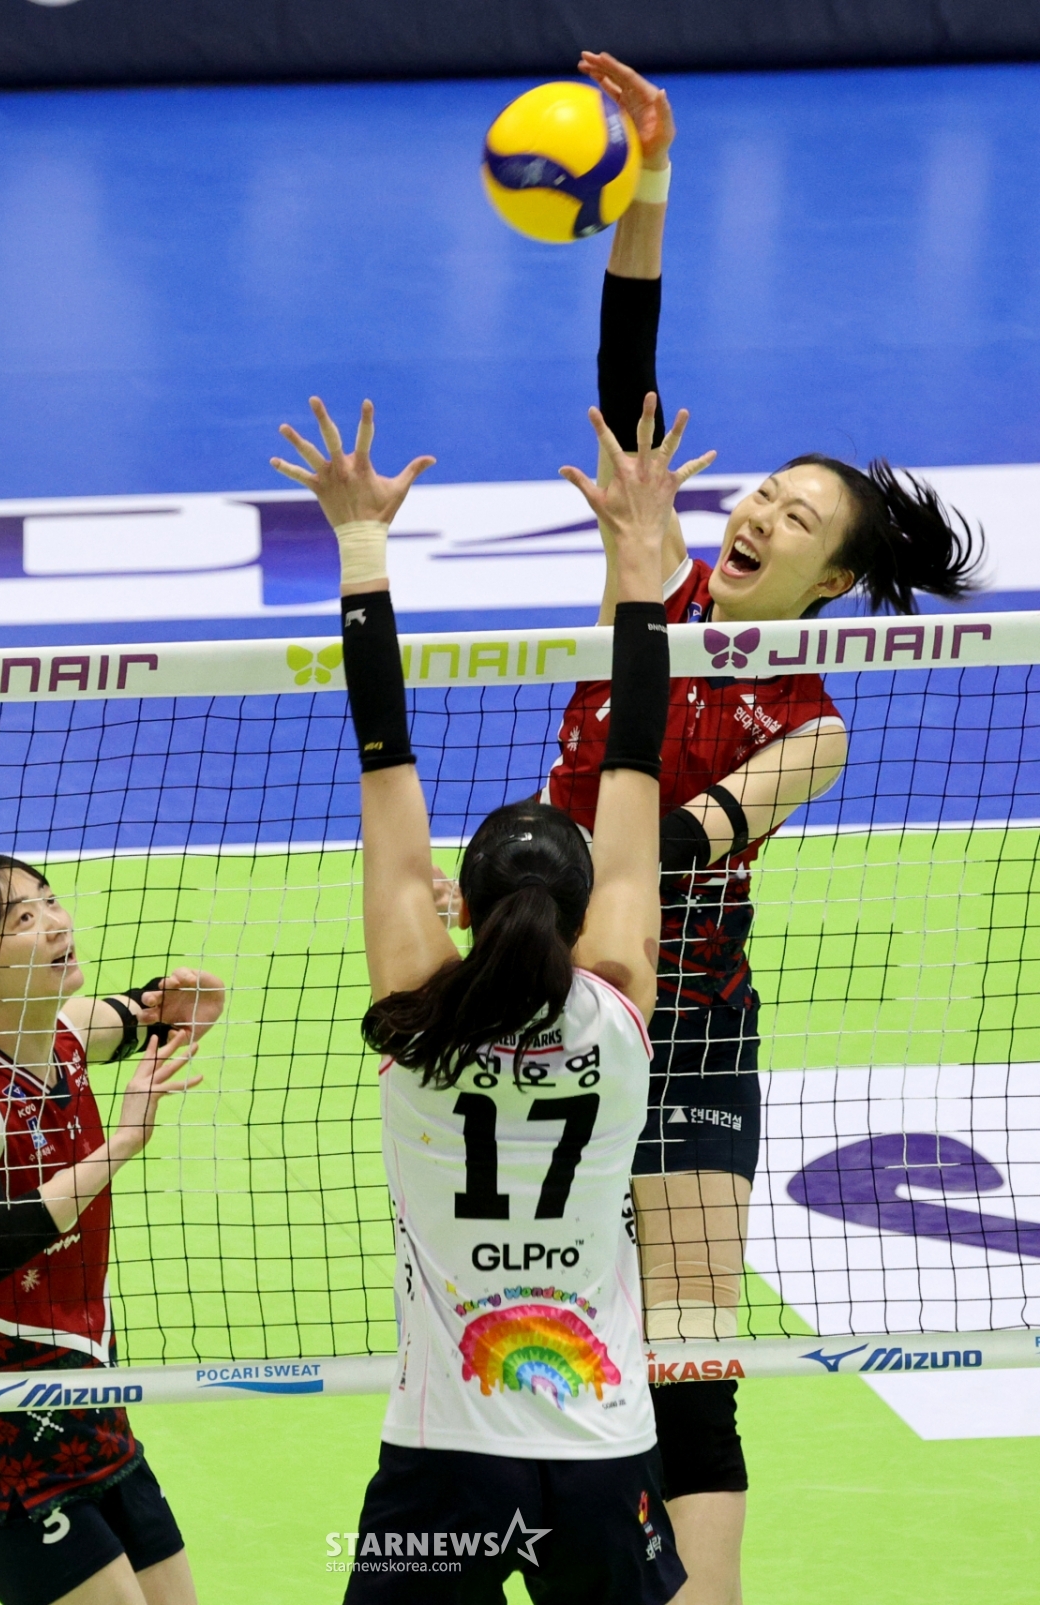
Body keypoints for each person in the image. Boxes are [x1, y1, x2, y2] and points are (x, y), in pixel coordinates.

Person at [541, 51, 984, 1605]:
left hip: (688, 1029)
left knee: (692, 1355)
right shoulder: (648, 576)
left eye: (799, 518)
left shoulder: (816, 729)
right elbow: (627, 373)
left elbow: (669, 848)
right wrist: (648, 176)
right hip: (536, 1011)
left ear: (834, 581)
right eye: (765, 495)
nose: (761, 515)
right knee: (533, 1341)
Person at [272, 390, 713, 1603]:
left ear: (458, 909)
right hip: (602, 1450)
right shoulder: (618, 1003)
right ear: (586, 914)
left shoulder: (417, 1020)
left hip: (445, 1459)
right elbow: (636, 752)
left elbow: (384, 756)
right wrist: (642, 554)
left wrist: (361, 541)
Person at [0, 853, 224, 1605]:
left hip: (101, 1419)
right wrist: (122, 1145)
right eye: (21, 919)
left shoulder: (68, 1035)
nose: (55, 923)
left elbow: (148, 1009)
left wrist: (193, 1001)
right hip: (9, 1448)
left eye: (49, 901)